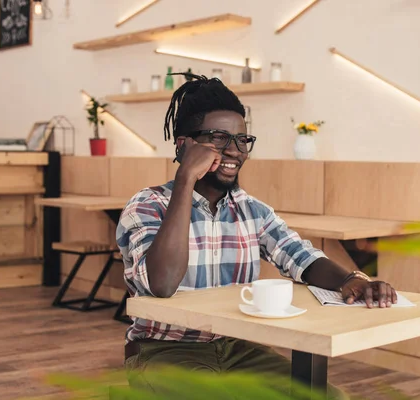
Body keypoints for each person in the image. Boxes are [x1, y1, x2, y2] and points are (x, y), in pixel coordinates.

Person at [116, 74, 398, 399]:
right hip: (165, 352)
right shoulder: (147, 205)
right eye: (219, 138)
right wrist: (185, 180)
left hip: (239, 349)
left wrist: (354, 280)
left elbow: (301, 257)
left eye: (241, 139)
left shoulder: (253, 211)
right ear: (183, 145)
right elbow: (161, 283)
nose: (235, 151)